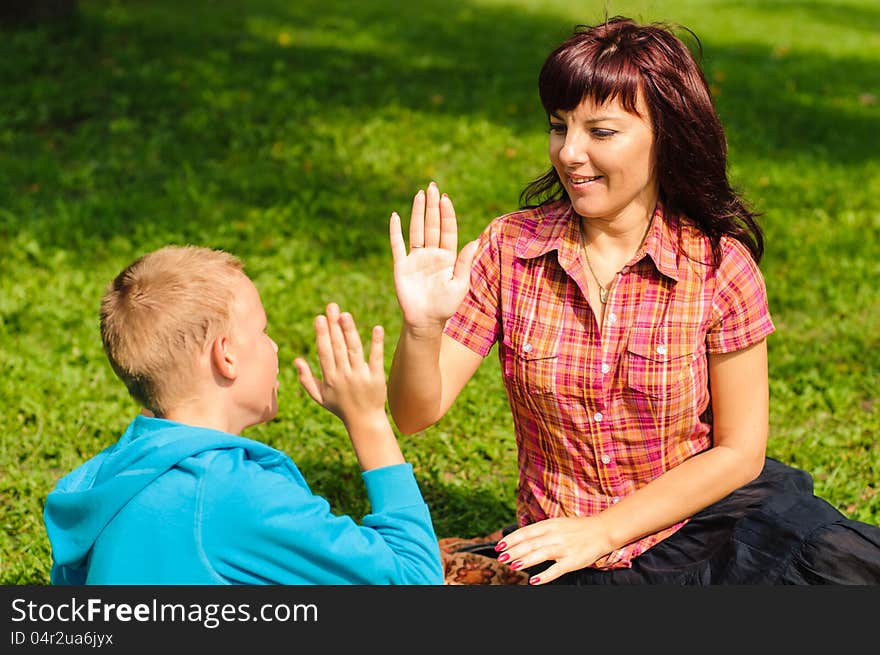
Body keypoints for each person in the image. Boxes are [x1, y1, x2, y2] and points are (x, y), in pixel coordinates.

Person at [386, 16, 880, 585]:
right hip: (574, 549)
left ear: (666, 135)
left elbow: (740, 452)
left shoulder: (718, 267)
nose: (569, 152)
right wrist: (421, 330)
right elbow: (414, 413)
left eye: (601, 132)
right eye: (558, 126)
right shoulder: (510, 250)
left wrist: (609, 528)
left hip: (710, 521)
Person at [43, 245, 444, 585]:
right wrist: (368, 421)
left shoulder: (107, 475)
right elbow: (414, 577)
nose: (273, 347)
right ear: (226, 355)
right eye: (263, 331)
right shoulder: (235, 494)